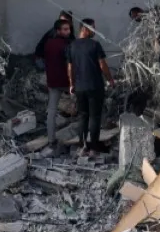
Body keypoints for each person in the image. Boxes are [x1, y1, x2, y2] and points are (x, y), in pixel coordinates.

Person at [67, 19, 114, 154]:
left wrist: (71, 84)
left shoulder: (72, 46)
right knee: (94, 117)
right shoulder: (95, 45)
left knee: (83, 116)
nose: (95, 31)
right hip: (95, 86)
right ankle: (93, 147)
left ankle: (82, 146)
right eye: (93, 28)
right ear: (85, 29)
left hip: (80, 88)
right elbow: (102, 65)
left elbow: (70, 68)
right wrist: (110, 79)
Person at [41, 18, 73, 155]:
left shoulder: (48, 44)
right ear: (58, 30)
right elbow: (70, 64)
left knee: (51, 111)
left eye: (69, 29)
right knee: (85, 108)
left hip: (53, 81)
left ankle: (51, 139)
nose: (68, 31)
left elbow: (43, 58)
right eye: (65, 29)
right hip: (66, 81)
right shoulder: (66, 44)